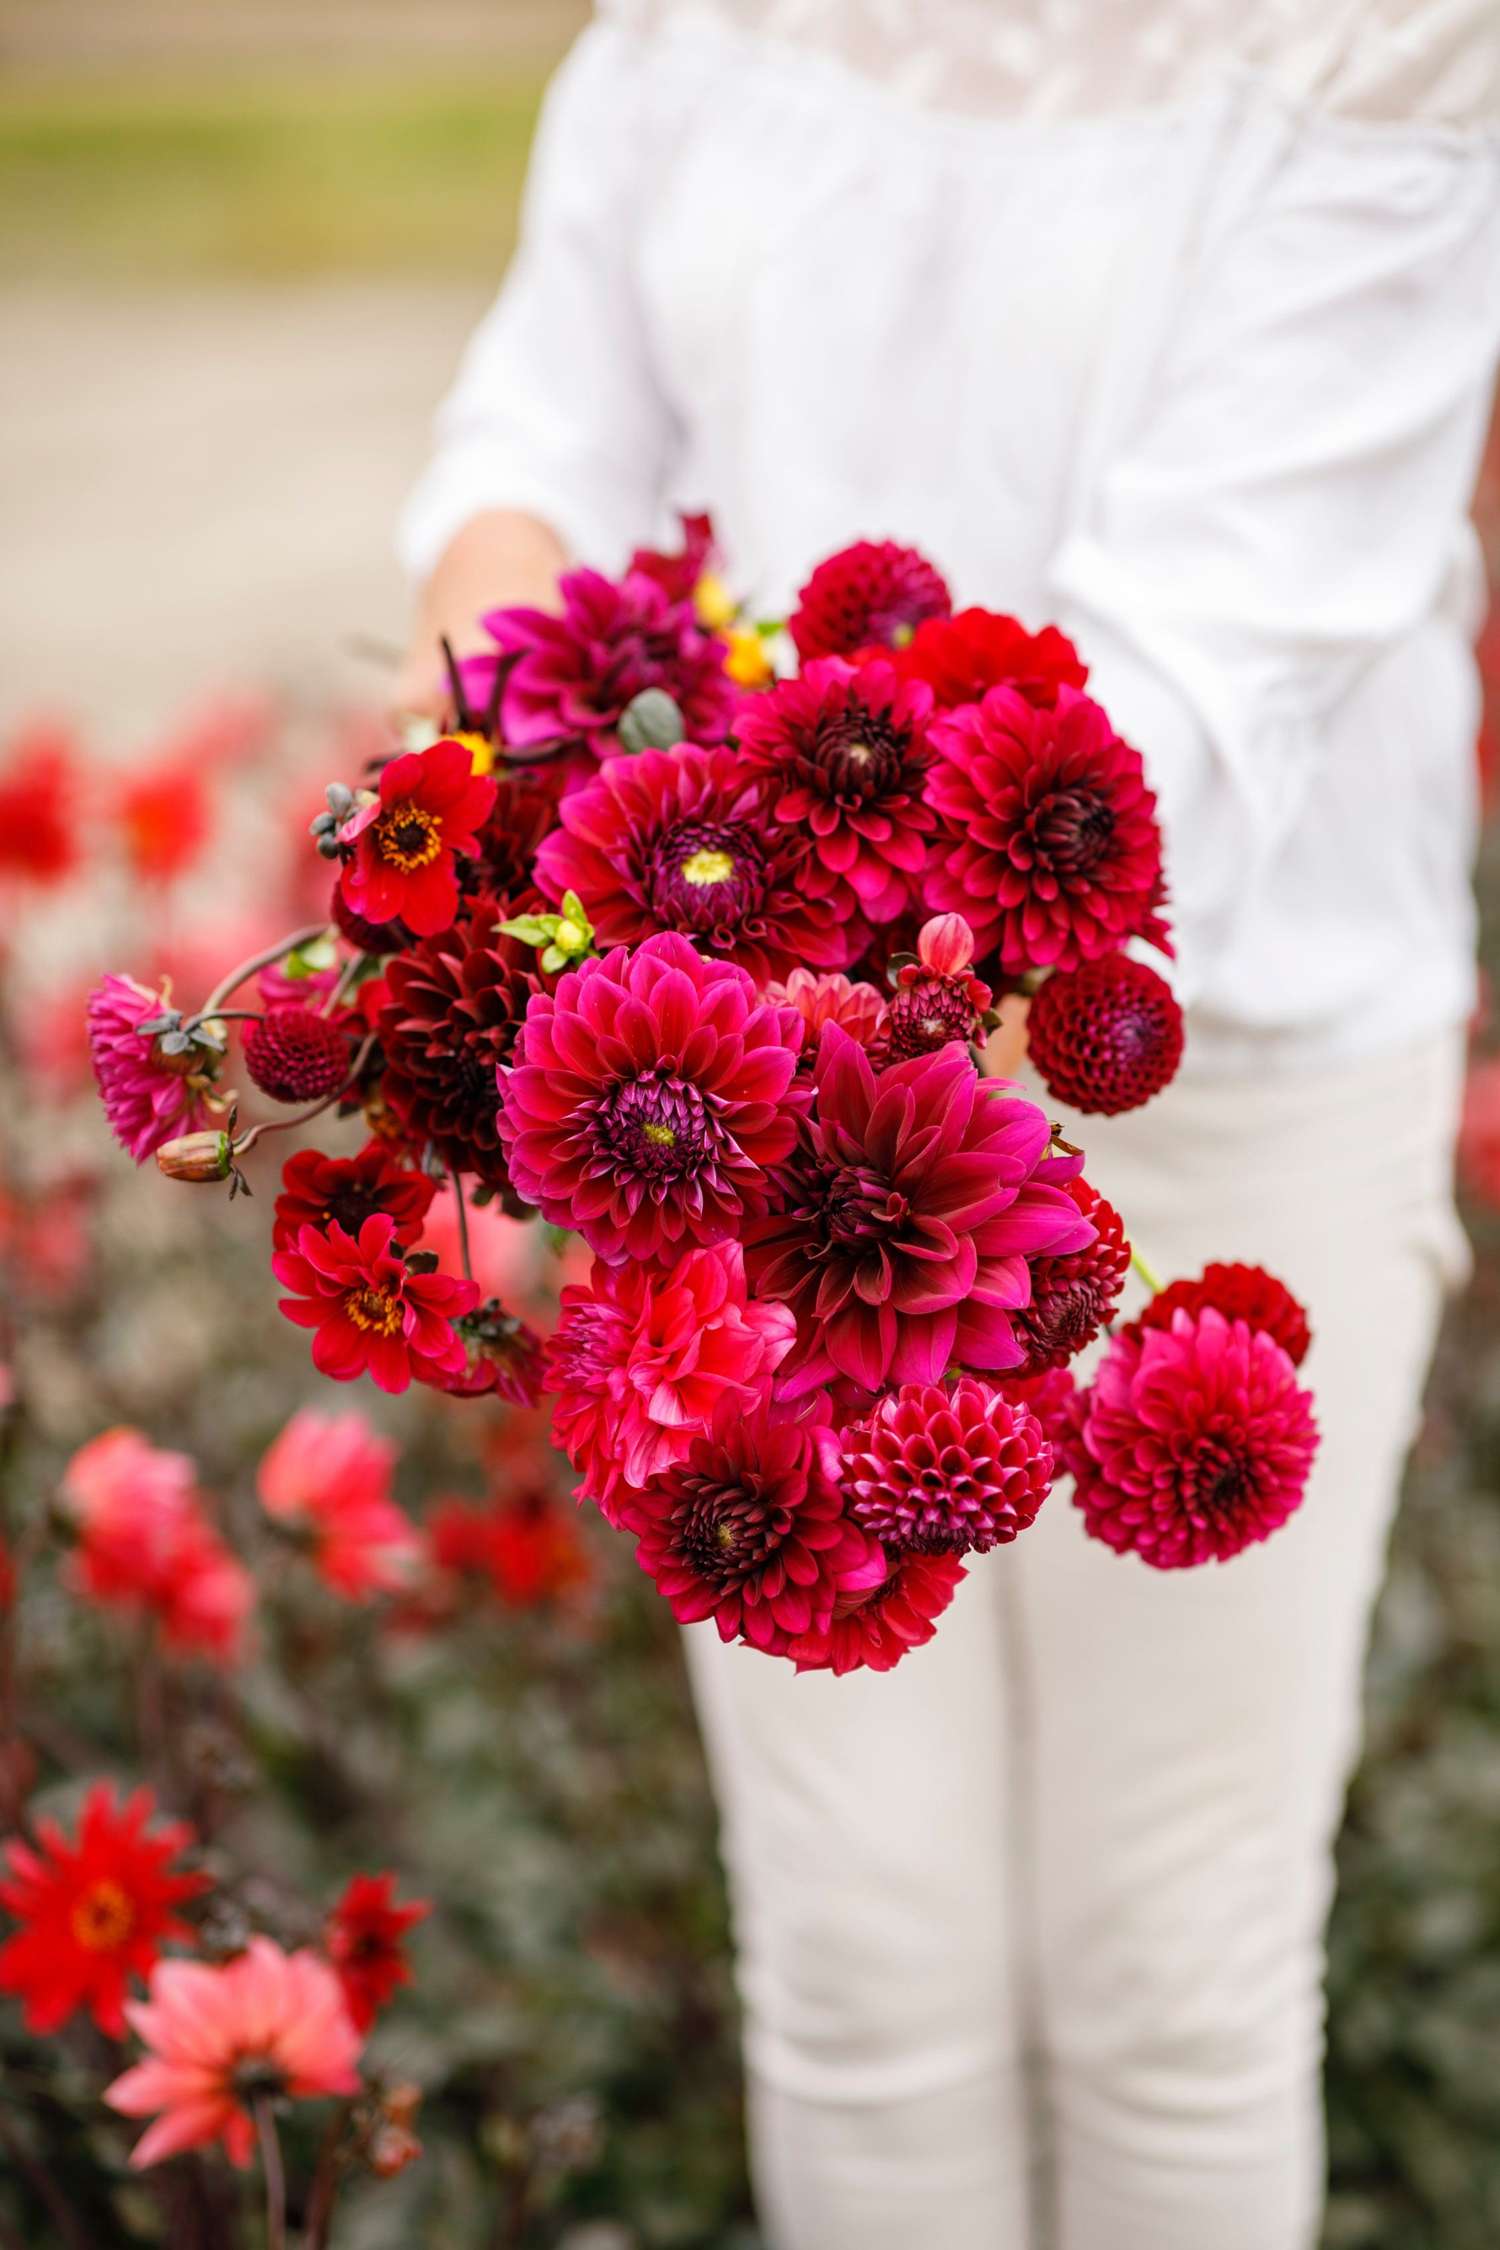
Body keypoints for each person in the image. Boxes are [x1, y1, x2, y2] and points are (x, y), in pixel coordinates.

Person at [395, 6, 1500, 2244]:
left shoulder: (1388, 41)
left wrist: (746, 981)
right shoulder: (700, 33)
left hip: (1218, 1075)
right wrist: (491, 791)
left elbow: (1205, 652)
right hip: (729, 1094)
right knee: (858, 1958)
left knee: (1170, 1974)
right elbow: (546, 426)